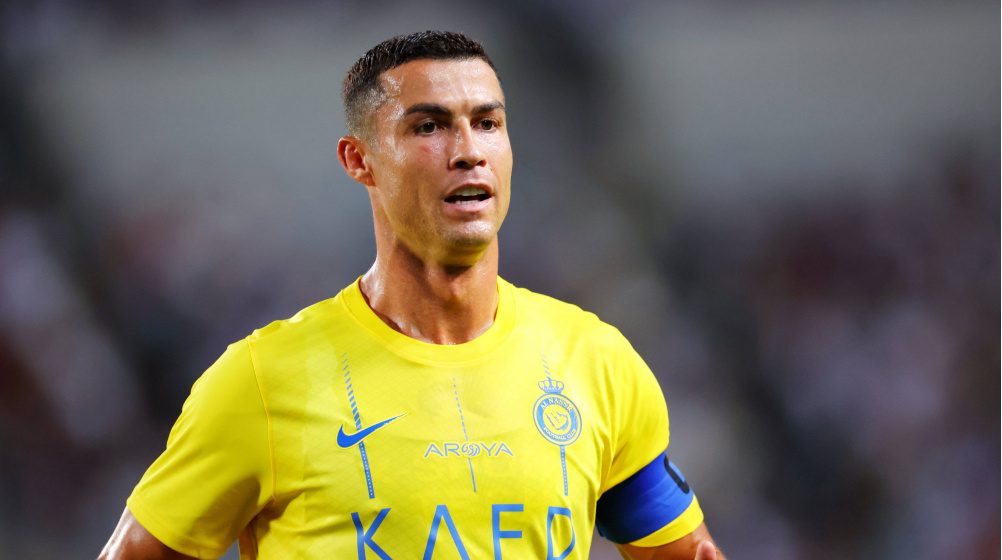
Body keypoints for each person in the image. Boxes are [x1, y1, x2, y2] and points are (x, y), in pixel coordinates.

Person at [98, 31, 726, 560]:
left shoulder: (595, 362)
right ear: (359, 160)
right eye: (429, 126)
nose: (469, 151)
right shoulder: (263, 381)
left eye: (488, 123)